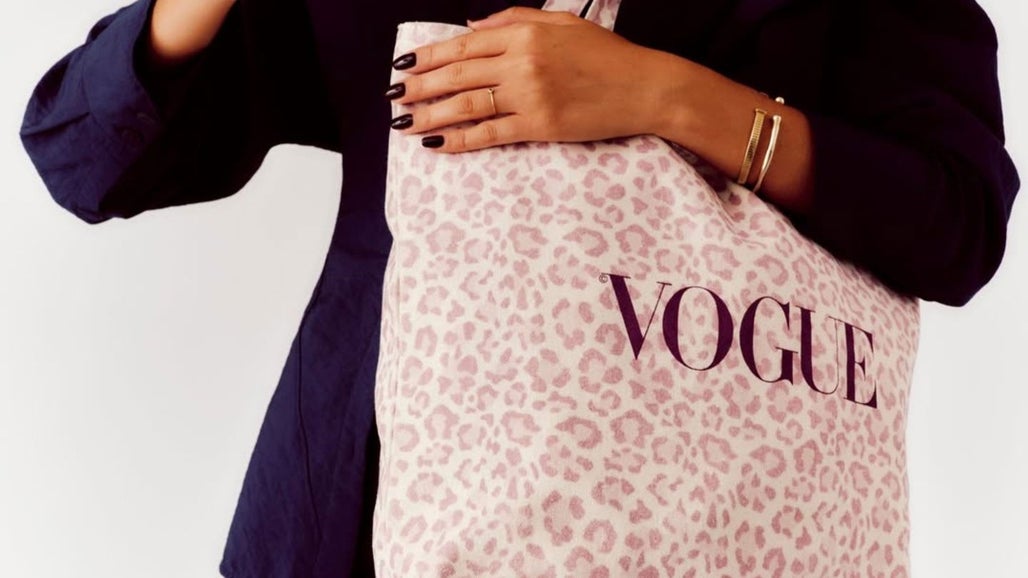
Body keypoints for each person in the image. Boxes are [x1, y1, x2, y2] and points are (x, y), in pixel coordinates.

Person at [19, 0, 1021, 576]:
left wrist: (663, 95)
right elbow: (86, 157)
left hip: (725, 521)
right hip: (358, 504)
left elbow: (955, 223)